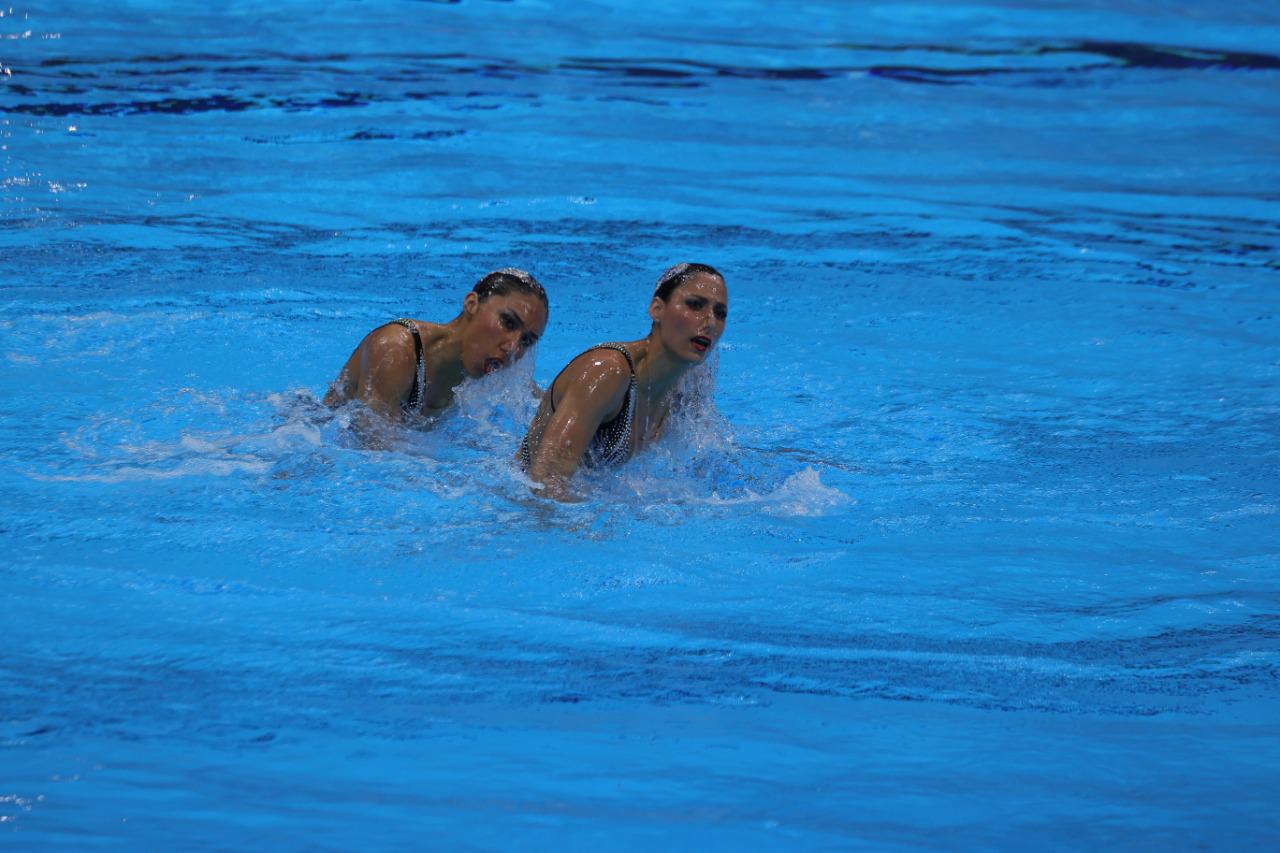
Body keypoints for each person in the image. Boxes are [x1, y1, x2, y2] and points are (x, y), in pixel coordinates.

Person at [519, 262, 727, 497]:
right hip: (521, 503)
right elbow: (545, 482)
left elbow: (707, 463)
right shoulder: (608, 373)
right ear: (657, 309)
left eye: (720, 313)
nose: (710, 322)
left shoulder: (691, 381)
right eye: (695, 305)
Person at [325, 268, 548, 421]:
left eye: (526, 341)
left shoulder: (498, 373)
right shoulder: (395, 350)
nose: (512, 347)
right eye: (507, 322)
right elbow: (373, 454)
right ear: (471, 304)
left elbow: (550, 403)